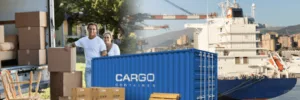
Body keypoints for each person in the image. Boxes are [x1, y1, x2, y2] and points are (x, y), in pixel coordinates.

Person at [65, 23, 107, 87]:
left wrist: (102, 57)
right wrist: (68, 45)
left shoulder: (100, 41)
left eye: (93, 29)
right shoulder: (84, 40)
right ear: (87, 29)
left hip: (97, 67)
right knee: (88, 86)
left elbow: (104, 52)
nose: (92, 31)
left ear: (96, 30)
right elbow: (74, 44)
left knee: (98, 87)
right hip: (88, 67)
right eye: (90, 29)